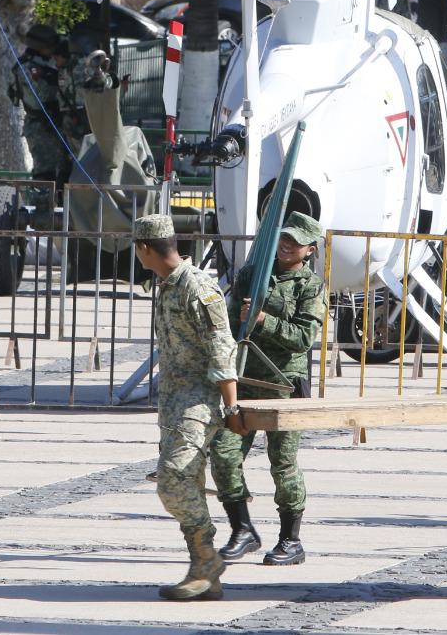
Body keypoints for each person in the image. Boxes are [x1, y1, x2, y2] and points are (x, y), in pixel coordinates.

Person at [131, 214, 242, 602]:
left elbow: (221, 345)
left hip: (199, 403)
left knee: (173, 480)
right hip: (174, 404)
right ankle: (203, 571)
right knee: (187, 481)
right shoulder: (166, 285)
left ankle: (207, 560)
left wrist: (231, 406)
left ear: (145, 248)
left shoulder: (197, 286)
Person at [212, 212, 327, 567]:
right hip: (246, 382)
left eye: (296, 242)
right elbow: (228, 323)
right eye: (284, 238)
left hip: (284, 386)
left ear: (310, 249)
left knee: (283, 464)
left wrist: (264, 320)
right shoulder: (254, 274)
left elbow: (304, 338)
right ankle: (242, 529)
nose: (287, 246)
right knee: (224, 454)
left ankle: (290, 540)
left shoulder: (310, 286)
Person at [13, 24, 77, 184]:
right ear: (41, 48)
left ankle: (62, 199)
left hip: (59, 125)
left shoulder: (48, 63)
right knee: (45, 174)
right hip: (41, 127)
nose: (54, 51)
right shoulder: (26, 68)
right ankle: (43, 200)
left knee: (66, 171)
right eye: (51, 47)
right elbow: (40, 99)